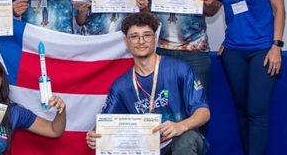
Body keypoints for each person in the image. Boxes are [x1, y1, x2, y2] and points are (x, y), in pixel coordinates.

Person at [209, 0, 285, 155]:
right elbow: (212, 12)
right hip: (233, 52)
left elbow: (279, 10)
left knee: (257, 111)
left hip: (263, 50)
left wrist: (276, 46)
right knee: (242, 109)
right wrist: (206, 1)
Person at [86, 12, 209, 155]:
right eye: (134, 36)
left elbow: (204, 112)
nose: (141, 41)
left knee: (186, 139)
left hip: (178, 141)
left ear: (155, 38)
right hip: (144, 148)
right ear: (126, 42)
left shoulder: (180, 69)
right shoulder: (121, 86)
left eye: (147, 35)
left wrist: (181, 126)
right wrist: (95, 135)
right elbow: (106, 124)